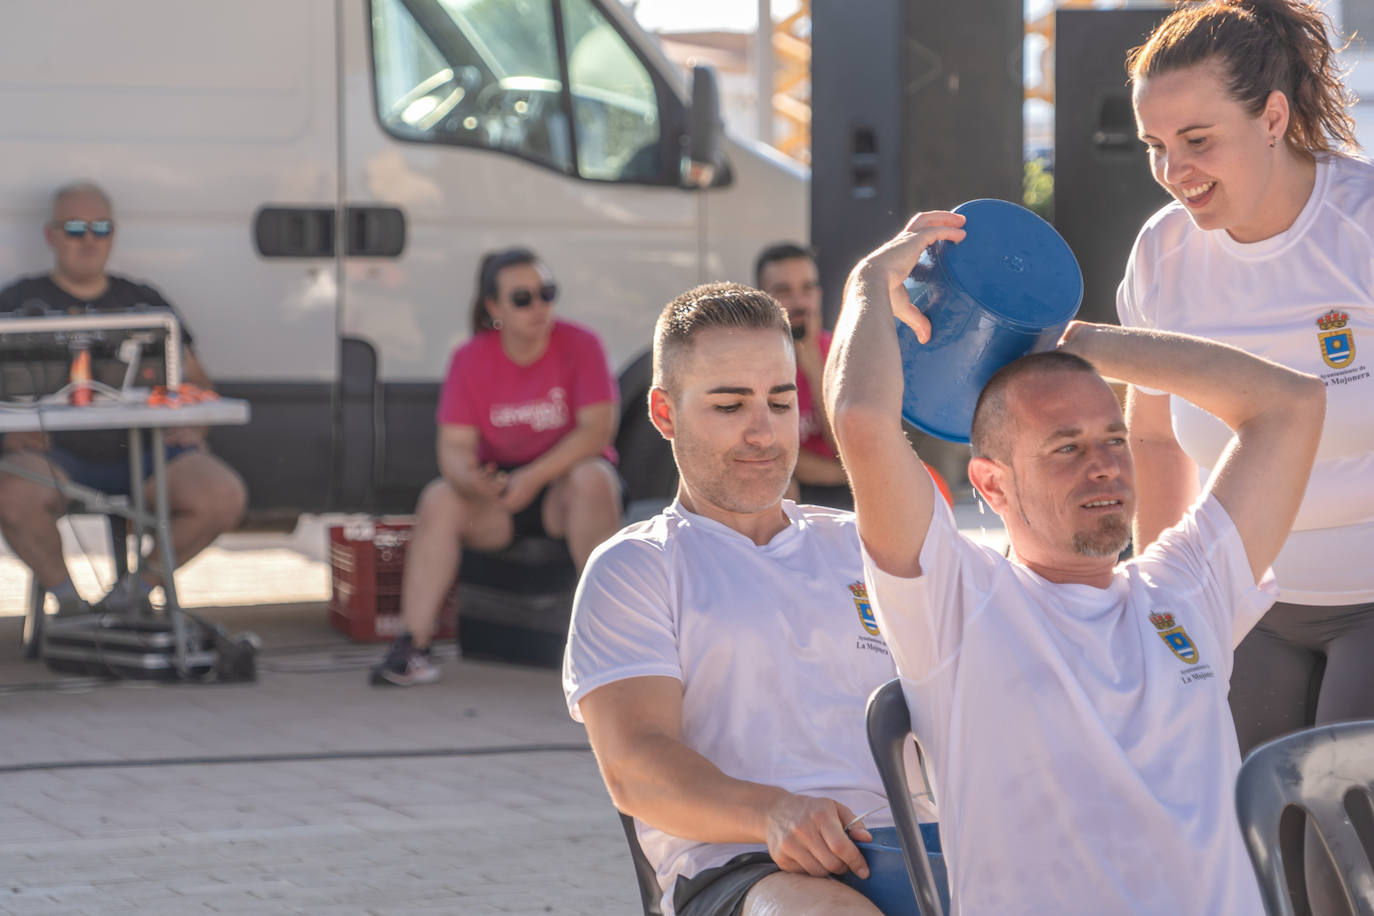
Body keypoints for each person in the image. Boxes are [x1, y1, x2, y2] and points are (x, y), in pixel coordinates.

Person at [827, 211, 1325, 914]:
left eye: (1114, 439)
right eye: (1066, 447)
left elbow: (1292, 404)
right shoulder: (955, 601)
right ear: (992, 485)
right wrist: (870, 285)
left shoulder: (1183, 586)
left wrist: (1075, 342)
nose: (1105, 468)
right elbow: (863, 422)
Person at [563, 282, 937, 916]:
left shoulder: (861, 545)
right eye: (731, 406)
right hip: (742, 866)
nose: (764, 433)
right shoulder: (636, 567)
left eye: (781, 402)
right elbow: (635, 766)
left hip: (915, 852)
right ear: (664, 414)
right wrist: (772, 813)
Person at [1119, 3, 1374, 908]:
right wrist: (1164, 604)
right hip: (1251, 603)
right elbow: (1152, 435)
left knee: (1338, 877)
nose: (1173, 172)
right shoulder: (1163, 255)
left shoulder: (1364, 224)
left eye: (1196, 139)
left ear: (1272, 117)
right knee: (1259, 874)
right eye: (1155, 145)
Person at [370, 247, 623, 686]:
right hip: (499, 499)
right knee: (438, 498)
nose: (539, 307)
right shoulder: (470, 358)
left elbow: (596, 432)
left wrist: (533, 477)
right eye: (522, 299)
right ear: (495, 308)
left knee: (593, 478)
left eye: (547, 293)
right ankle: (413, 646)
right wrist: (471, 480)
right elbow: (452, 448)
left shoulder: (582, 344)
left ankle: (614, 640)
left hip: (562, 493)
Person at [0, 180, 247, 617]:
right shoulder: (18, 302)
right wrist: (10, 431)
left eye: (102, 228)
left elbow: (197, 380)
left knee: (222, 495)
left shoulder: (143, 301)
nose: (90, 240)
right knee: (12, 495)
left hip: (150, 456)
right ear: (51, 235)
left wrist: (196, 422)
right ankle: (72, 607)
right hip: (56, 459)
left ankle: (131, 596)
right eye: (76, 228)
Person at [754, 243, 849, 508]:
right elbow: (772, 454)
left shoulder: (840, 349)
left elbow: (848, 443)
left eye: (807, 289)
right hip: (790, 487)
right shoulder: (751, 362)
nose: (798, 303)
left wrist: (814, 365)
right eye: (784, 291)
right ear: (763, 298)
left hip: (847, 488)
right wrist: (846, 472)